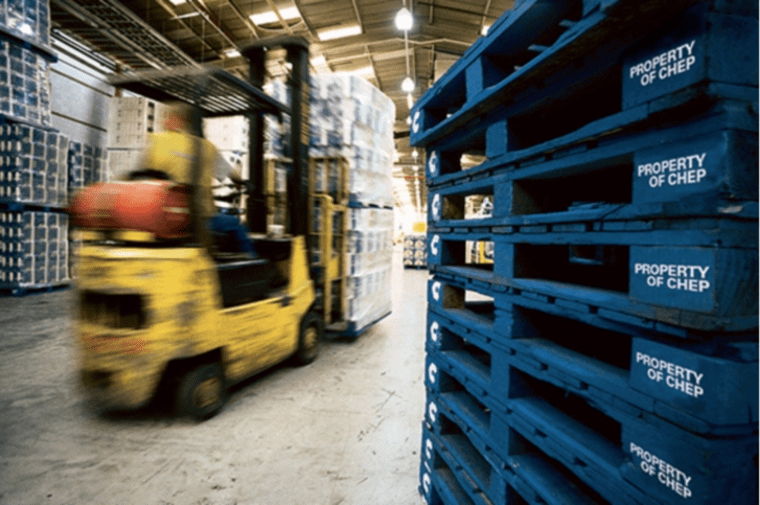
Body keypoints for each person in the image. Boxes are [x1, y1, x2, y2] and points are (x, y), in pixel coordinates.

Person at [130, 101, 255, 257]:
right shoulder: (206, 147)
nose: (164, 121)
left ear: (177, 119)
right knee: (236, 224)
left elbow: (139, 175)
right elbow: (230, 175)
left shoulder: (155, 141)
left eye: (167, 117)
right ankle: (253, 263)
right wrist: (243, 183)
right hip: (195, 219)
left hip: (158, 216)